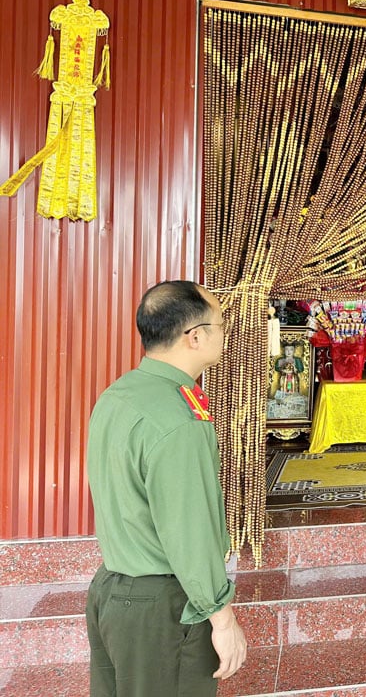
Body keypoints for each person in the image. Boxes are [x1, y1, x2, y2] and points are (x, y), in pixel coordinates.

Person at [86, 280, 246, 696]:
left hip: (113, 589)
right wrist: (222, 618)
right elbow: (188, 530)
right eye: (222, 325)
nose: (226, 334)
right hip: (164, 606)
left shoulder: (119, 395)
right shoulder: (178, 419)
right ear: (195, 337)